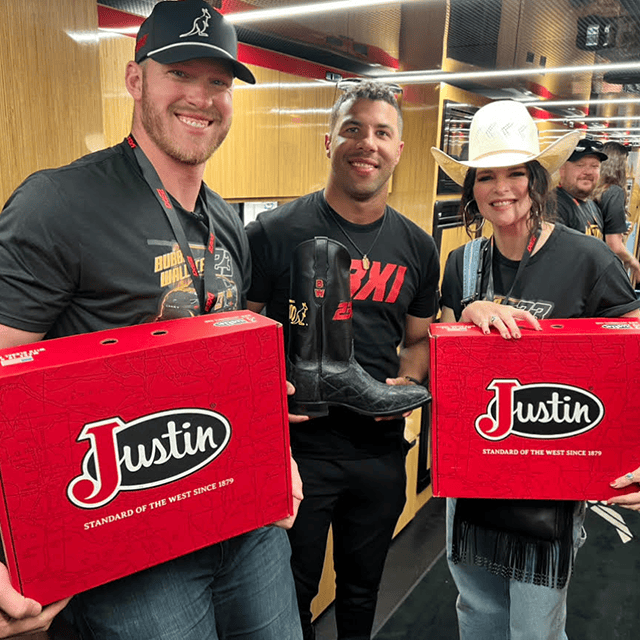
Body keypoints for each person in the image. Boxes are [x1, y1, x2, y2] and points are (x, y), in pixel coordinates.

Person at [0, 1, 302, 639]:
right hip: (130, 551)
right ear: (135, 80)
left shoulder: (227, 224)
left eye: (218, 82)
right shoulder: (57, 204)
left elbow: (230, 371)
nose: (202, 98)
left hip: (246, 527)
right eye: (180, 74)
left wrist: (275, 451)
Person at [431, 99, 640, 640]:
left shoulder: (587, 261)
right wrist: (469, 313)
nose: (502, 188)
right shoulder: (462, 263)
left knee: (534, 630)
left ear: (537, 180)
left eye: (516, 173)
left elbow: (631, 354)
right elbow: (450, 373)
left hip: (549, 486)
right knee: (476, 615)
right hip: (475, 485)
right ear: (471, 186)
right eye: (487, 175)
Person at [246, 80, 440, 640]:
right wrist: (266, 394)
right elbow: (244, 335)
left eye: (382, 132)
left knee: (361, 592)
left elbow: (419, 339)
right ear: (329, 141)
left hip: (379, 454)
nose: (367, 143)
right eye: (353, 129)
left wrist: (404, 383)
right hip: (295, 453)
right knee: (290, 595)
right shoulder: (274, 233)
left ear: (399, 149)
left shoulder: (417, 246)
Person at [592, 141, 640, 283]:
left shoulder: (595, 190)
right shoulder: (615, 192)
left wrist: (619, 227)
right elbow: (614, 244)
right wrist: (633, 261)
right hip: (603, 265)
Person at [552, 137, 609, 236]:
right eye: (580, 165)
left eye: (594, 166)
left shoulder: (594, 208)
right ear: (562, 170)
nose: (588, 172)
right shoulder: (552, 205)